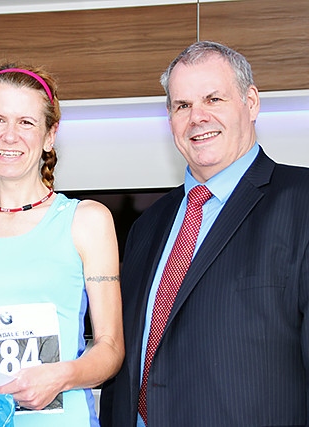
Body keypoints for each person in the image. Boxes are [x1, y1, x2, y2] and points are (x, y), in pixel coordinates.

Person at [99, 40, 309, 427]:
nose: (197, 117)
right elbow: (123, 366)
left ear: (251, 102)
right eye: (182, 106)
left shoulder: (302, 202)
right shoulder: (147, 226)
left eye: (213, 99)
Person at [0, 63, 124, 426]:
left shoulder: (87, 221)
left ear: (50, 135)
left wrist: (61, 376)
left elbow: (110, 349)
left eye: (26, 122)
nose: (9, 136)